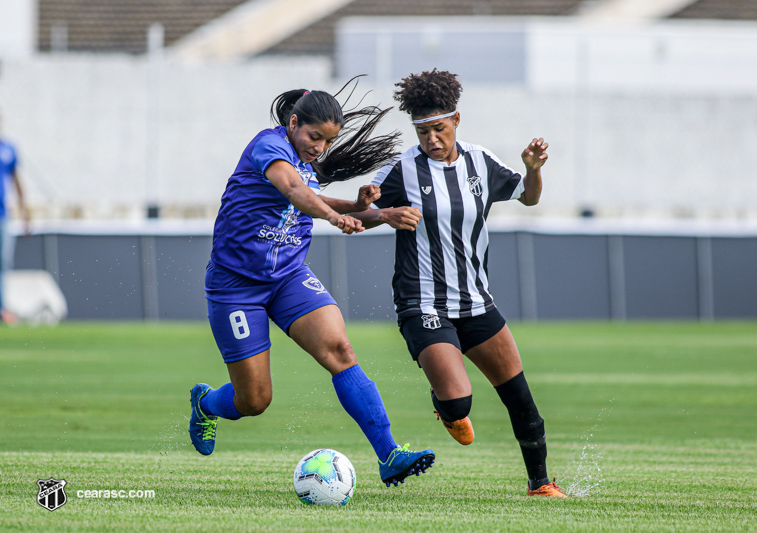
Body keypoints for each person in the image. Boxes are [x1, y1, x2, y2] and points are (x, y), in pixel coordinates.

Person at [189, 82, 435, 488]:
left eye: (328, 141)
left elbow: (319, 200)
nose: (319, 147)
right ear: (292, 123)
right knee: (254, 400)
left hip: (288, 278)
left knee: (340, 349)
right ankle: (206, 403)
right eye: (314, 136)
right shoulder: (269, 146)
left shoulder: (306, 164)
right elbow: (293, 191)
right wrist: (337, 217)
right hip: (237, 286)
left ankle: (390, 455)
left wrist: (376, 212)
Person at [351, 69, 566, 497]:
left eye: (439, 128)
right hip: (423, 304)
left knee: (521, 399)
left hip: (476, 302)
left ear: (456, 121)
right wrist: (382, 214)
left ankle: (540, 484)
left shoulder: (480, 162)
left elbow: (528, 196)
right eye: (422, 131)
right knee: (458, 403)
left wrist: (534, 170)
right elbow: (359, 216)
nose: (431, 138)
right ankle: (444, 406)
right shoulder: (403, 171)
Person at [0, 114, 29, 325]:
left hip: (2, 215)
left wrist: (24, 209)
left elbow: (16, 180)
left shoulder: (8, 149)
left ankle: (2, 308)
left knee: (3, 262)